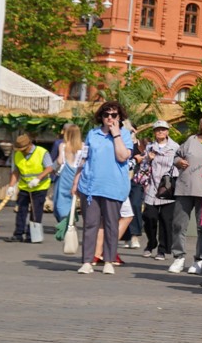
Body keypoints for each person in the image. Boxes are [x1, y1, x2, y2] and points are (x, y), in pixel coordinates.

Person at [78, 101, 134, 275]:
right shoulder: (92, 134)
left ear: (120, 117)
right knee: (90, 224)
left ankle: (108, 260)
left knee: (111, 225)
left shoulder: (124, 135)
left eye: (114, 115)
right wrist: (76, 180)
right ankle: (87, 261)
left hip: (113, 186)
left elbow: (123, 156)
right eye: (106, 115)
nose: (109, 118)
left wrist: (116, 134)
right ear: (100, 117)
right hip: (90, 186)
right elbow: (84, 157)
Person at [170, 112, 202, 273]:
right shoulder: (191, 140)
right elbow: (176, 156)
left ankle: (199, 259)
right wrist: (178, 162)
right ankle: (178, 257)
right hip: (184, 187)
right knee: (178, 225)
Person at [137, 121, 179, 259]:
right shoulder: (150, 147)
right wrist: (148, 159)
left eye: (163, 129)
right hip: (152, 187)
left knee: (166, 219)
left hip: (168, 187)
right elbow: (143, 167)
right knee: (149, 216)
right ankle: (151, 242)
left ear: (167, 132)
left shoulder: (175, 147)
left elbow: (179, 165)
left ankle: (162, 249)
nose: (160, 132)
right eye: (157, 130)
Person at [9, 131, 54, 243]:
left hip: (39, 186)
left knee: (36, 211)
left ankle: (32, 235)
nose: (21, 151)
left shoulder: (42, 152)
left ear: (29, 144)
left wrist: (38, 179)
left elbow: (49, 168)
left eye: (23, 149)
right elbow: (16, 171)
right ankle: (18, 234)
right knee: (21, 210)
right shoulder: (18, 154)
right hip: (24, 186)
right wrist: (11, 186)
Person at [50, 123, 83, 241]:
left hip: (64, 175)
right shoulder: (83, 146)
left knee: (61, 200)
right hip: (77, 175)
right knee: (73, 200)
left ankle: (65, 220)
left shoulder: (63, 146)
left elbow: (59, 160)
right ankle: (71, 218)